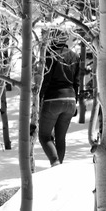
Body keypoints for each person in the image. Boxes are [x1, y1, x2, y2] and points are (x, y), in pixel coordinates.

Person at [38, 34, 81, 166]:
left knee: (44, 136)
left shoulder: (50, 56)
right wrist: (76, 100)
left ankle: (55, 163)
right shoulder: (75, 56)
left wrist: (39, 99)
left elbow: (45, 80)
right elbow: (77, 82)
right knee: (60, 138)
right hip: (70, 100)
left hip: (53, 99)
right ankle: (58, 167)